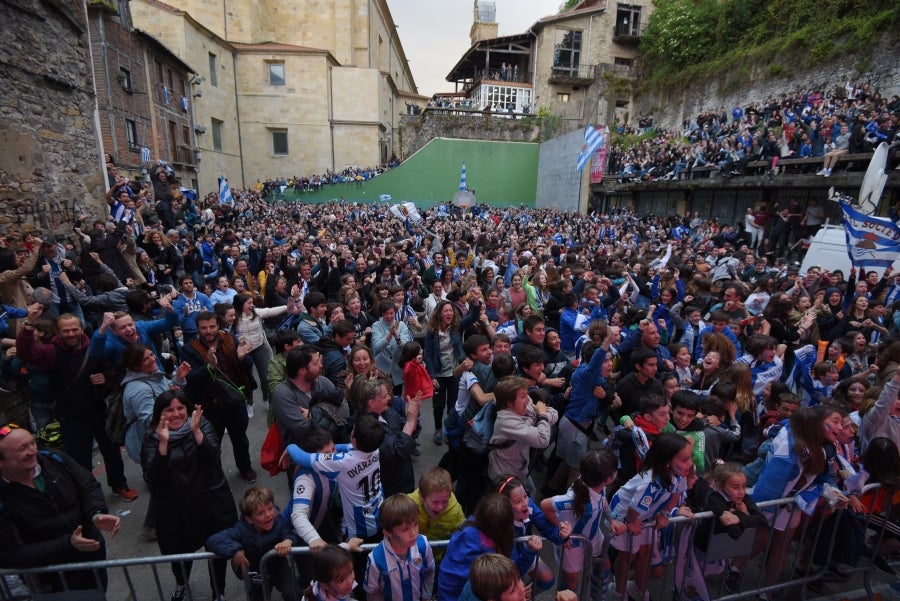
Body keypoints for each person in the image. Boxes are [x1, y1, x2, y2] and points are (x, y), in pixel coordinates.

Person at [16, 304, 138, 500]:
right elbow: (26, 353)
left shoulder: (94, 347)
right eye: (66, 331)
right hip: (71, 415)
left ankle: (119, 485)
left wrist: (105, 377)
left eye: (74, 329)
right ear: (59, 332)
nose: (71, 334)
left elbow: (113, 368)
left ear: (81, 328)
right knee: (80, 459)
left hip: (98, 409)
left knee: (112, 451)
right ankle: (89, 494)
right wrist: (29, 324)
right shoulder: (51, 352)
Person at [0, 423, 121, 593]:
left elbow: (88, 486)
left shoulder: (54, 459)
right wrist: (67, 545)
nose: (32, 451)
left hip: (92, 556)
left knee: (98, 594)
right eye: (22, 449)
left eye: (32, 443)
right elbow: (9, 555)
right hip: (53, 579)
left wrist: (96, 513)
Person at [141, 390, 237, 601]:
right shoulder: (152, 437)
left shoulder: (202, 425)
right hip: (176, 511)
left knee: (216, 551)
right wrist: (163, 446)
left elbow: (213, 459)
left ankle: (218, 592)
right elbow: (152, 477)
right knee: (179, 556)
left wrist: (197, 433)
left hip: (211, 504)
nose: (176, 414)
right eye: (169, 410)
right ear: (160, 414)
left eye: (180, 408)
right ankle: (181, 582)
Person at [609, 433, 694, 601]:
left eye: (689, 458)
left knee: (646, 551)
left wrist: (665, 513)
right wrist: (632, 522)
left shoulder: (679, 472)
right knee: (629, 554)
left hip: (646, 515)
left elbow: (677, 492)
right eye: (684, 460)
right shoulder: (651, 483)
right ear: (667, 462)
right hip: (625, 514)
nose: (690, 463)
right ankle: (618, 592)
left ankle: (638, 590)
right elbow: (633, 508)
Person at [180, 310, 257, 482]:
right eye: (204, 328)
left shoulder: (229, 339)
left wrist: (243, 358)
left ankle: (245, 467)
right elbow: (192, 380)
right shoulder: (189, 349)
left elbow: (246, 365)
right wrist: (210, 367)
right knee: (212, 443)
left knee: (240, 438)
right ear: (198, 329)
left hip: (234, 399)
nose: (209, 331)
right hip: (210, 405)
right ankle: (215, 475)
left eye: (212, 326)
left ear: (217, 326)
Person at [541, 450, 622, 594]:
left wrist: (611, 518)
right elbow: (545, 505)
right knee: (571, 583)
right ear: (608, 479)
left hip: (594, 537)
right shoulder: (574, 498)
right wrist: (558, 529)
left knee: (604, 568)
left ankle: (597, 597)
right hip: (572, 544)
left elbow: (602, 500)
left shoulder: (597, 484)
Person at [438, 494, 541, 601]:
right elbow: (509, 575)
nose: (521, 589)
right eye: (513, 589)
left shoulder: (468, 527)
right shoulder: (487, 557)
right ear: (507, 526)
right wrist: (530, 552)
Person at [206, 486, 300, 601]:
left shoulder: (278, 521)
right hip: (256, 571)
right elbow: (214, 540)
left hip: (278, 566)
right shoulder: (241, 529)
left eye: (270, 508)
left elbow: (289, 533)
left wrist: (288, 541)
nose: (268, 515)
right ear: (249, 519)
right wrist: (236, 550)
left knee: (293, 593)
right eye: (260, 513)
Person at [488, 376, 557, 488]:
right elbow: (543, 439)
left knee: (531, 491)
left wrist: (541, 416)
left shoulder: (523, 406)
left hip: (520, 469)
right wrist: (542, 415)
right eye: (523, 396)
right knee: (528, 493)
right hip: (505, 477)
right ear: (509, 403)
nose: (528, 400)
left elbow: (554, 414)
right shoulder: (506, 422)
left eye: (527, 394)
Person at [363, 494, 436, 601]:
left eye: (416, 524)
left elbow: (430, 571)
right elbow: (372, 593)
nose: (414, 533)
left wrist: (426, 596)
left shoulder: (423, 544)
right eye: (405, 529)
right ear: (388, 532)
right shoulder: (375, 560)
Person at [408, 467, 465, 566]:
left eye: (445, 501)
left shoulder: (455, 511)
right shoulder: (407, 506)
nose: (440, 507)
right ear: (422, 497)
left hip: (436, 559)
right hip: (408, 558)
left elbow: (463, 534)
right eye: (435, 502)